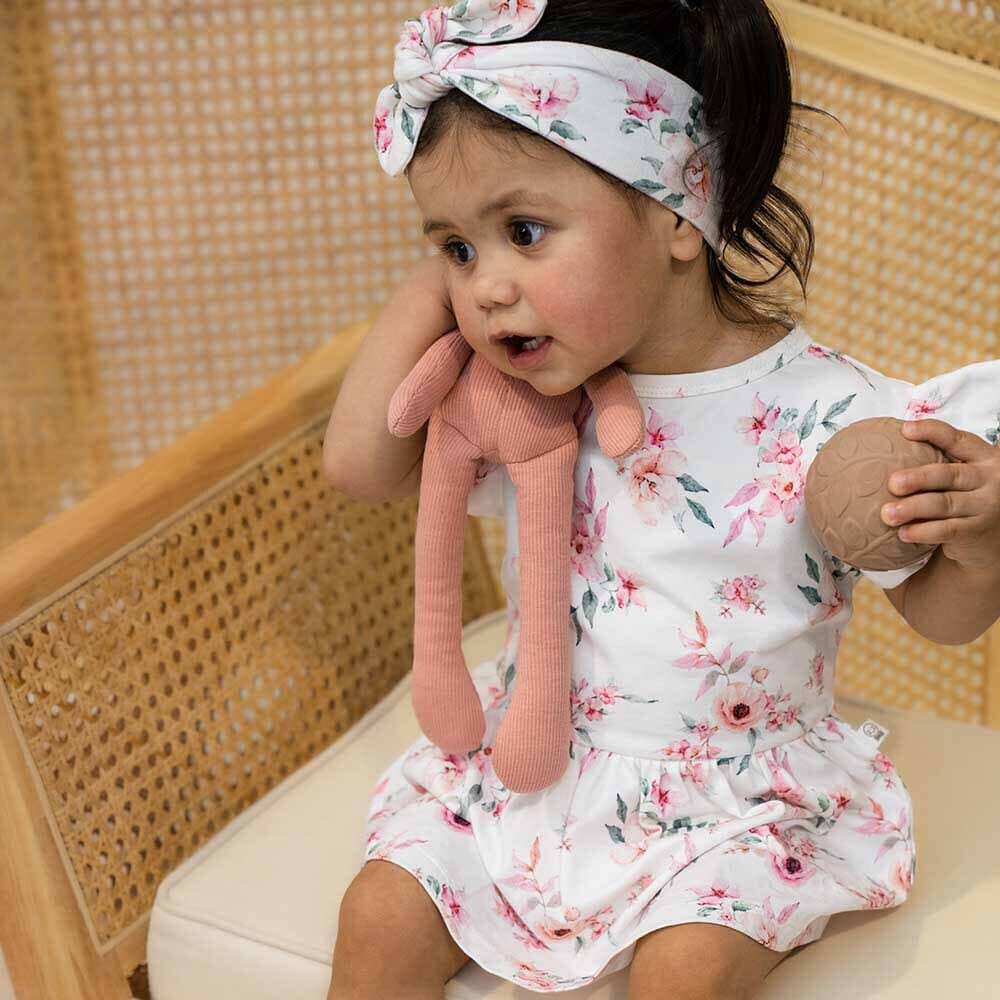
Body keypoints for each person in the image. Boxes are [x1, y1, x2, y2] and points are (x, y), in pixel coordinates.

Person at [322, 1, 1000, 997]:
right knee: (378, 913)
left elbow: (941, 617)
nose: (487, 287)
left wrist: (980, 542)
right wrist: (439, 285)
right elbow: (358, 466)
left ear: (679, 211)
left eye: (522, 231)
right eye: (457, 248)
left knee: (686, 969)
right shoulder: (520, 398)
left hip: (732, 799)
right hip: (534, 769)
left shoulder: (825, 411)